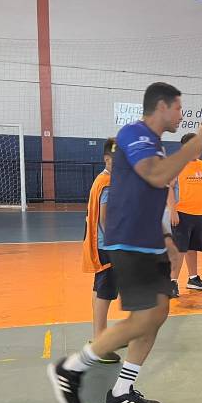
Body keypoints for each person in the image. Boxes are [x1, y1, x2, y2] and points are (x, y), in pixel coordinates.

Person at [48, 82, 202, 403]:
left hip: (148, 241)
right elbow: (157, 177)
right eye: (178, 108)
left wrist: (168, 240)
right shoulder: (133, 133)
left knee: (157, 315)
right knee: (143, 319)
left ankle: (121, 391)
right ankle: (71, 369)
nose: (182, 114)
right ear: (161, 107)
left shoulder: (156, 145)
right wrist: (201, 141)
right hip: (129, 240)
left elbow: (150, 195)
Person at [80, 138, 122, 364]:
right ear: (108, 159)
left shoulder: (104, 179)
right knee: (105, 292)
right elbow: (106, 218)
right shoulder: (107, 183)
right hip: (108, 246)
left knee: (100, 289)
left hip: (103, 244)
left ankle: (101, 335)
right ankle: (99, 343)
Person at [168, 133, 202, 294]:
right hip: (182, 213)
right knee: (180, 249)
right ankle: (172, 282)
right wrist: (173, 210)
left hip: (200, 214)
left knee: (193, 248)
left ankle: (193, 278)